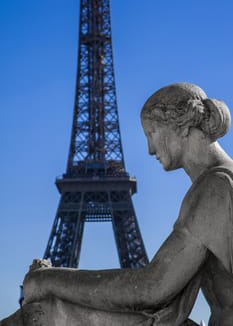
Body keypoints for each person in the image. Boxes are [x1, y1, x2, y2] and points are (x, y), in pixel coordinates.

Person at [10, 83, 233, 325]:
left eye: (151, 133)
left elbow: (151, 288)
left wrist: (48, 280)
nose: (149, 149)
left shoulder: (216, 188)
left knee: (44, 314)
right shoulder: (217, 182)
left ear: (180, 125)